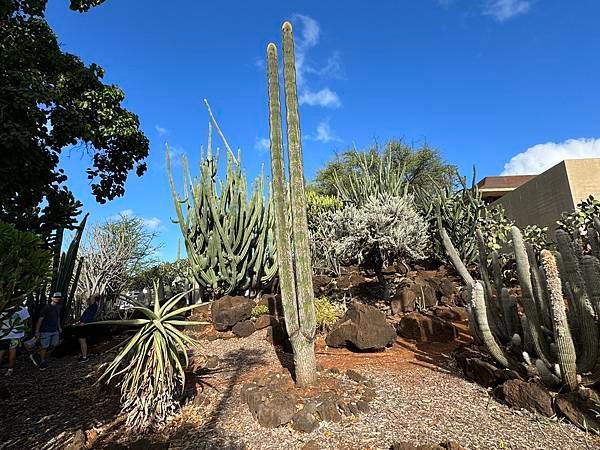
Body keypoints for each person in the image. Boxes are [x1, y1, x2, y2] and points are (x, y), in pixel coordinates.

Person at [30, 292, 62, 370]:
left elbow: (58, 317)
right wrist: (37, 331)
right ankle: (42, 361)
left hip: (54, 330)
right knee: (44, 347)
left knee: (54, 344)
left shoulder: (58, 307)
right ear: (52, 298)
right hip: (46, 330)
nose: (57, 298)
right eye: (56, 297)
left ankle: (37, 354)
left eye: (59, 297)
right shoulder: (47, 308)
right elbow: (40, 320)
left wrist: (59, 327)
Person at [0, 305, 30, 376]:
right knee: (12, 351)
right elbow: (25, 323)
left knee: (1, 353)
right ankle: (10, 370)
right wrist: (23, 333)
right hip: (16, 335)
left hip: (3, 335)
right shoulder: (23, 309)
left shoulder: (4, 308)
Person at [74, 296, 98, 362]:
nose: (87, 301)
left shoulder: (94, 306)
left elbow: (94, 296)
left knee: (82, 340)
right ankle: (84, 355)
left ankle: (84, 357)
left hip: (87, 325)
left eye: (88, 300)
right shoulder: (89, 307)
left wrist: (84, 322)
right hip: (83, 325)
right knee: (81, 340)